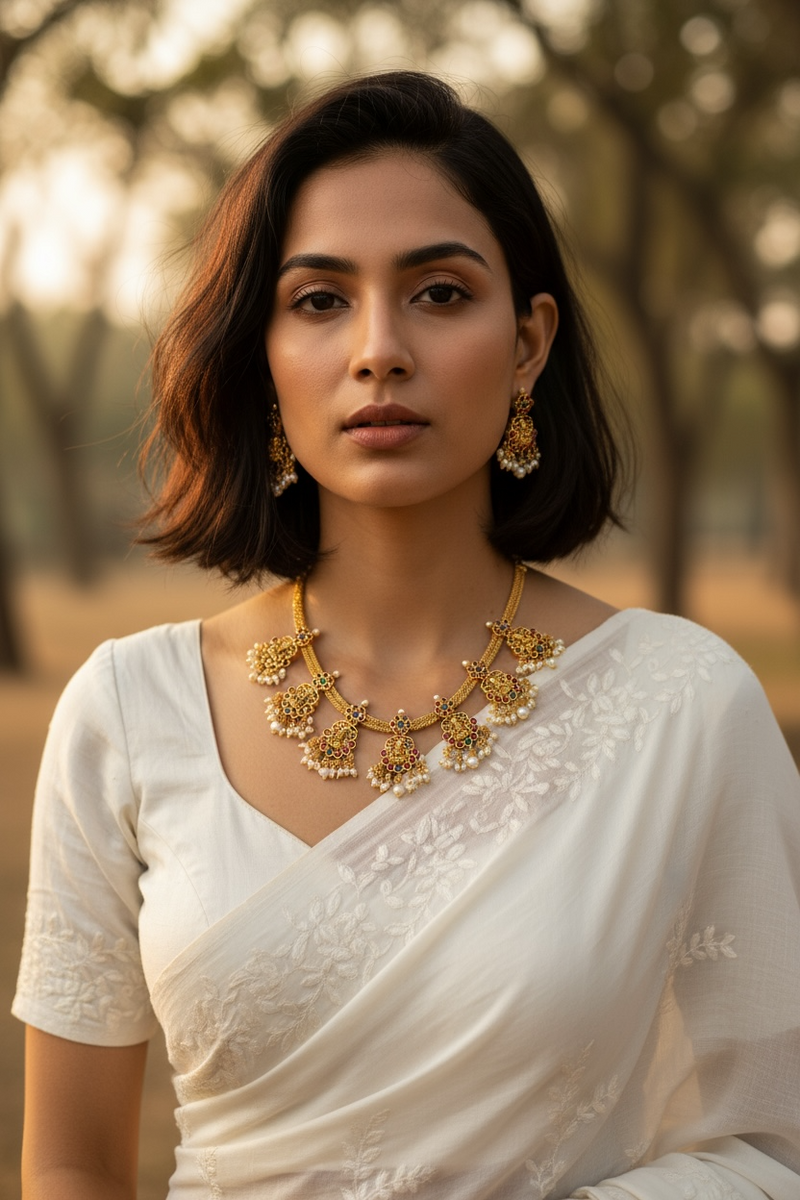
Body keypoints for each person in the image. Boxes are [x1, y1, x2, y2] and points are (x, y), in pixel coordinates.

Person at [13, 71, 800, 1200]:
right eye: (319, 301)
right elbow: (70, 1161)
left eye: (437, 293)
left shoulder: (682, 705)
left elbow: (772, 1146)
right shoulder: (132, 711)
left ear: (527, 343)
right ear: (263, 358)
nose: (378, 349)